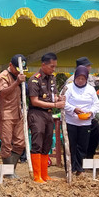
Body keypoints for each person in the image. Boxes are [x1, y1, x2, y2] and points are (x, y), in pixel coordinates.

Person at [28, 52, 64, 183]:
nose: (53, 69)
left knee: (47, 142)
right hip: (37, 113)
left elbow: (53, 94)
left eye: (55, 66)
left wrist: (58, 98)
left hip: (49, 113)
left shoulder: (52, 78)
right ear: (43, 65)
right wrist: (55, 104)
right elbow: (34, 101)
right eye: (51, 66)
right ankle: (37, 175)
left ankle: (45, 174)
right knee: (37, 141)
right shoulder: (34, 79)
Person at [63, 66, 99, 175]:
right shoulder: (68, 88)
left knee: (82, 146)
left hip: (85, 122)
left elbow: (96, 103)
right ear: (74, 78)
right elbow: (63, 102)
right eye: (78, 78)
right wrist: (74, 109)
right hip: (71, 121)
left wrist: (91, 112)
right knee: (70, 145)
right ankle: (70, 168)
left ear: (86, 79)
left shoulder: (90, 89)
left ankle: (79, 168)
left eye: (82, 79)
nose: (80, 81)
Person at [0, 54, 27, 177]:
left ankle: (10, 170)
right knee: (7, 144)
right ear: (10, 65)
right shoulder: (3, 76)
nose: (19, 72)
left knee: (20, 143)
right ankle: (9, 173)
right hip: (6, 115)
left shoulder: (20, 76)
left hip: (18, 114)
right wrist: (16, 82)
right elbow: (3, 93)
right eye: (16, 69)